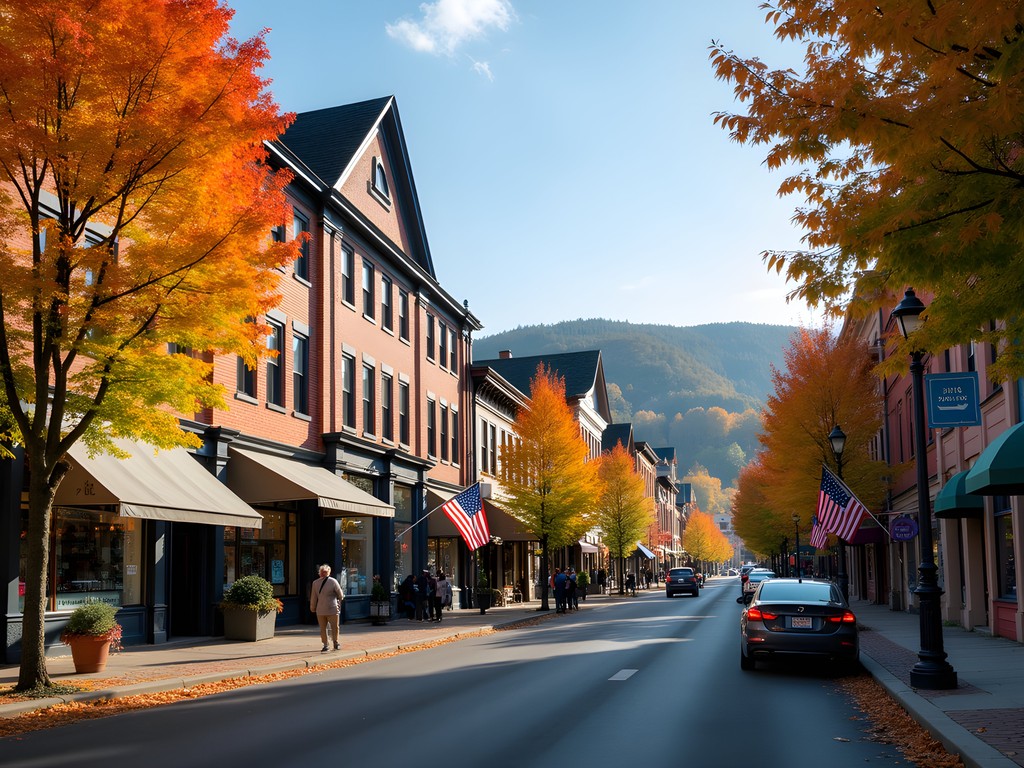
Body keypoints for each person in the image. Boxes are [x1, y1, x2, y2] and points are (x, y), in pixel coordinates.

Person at [309, 564, 344, 653]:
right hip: (332, 608)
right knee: (334, 627)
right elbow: (341, 594)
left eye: (323, 572)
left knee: (323, 628)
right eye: (324, 572)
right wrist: (339, 601)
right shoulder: (333, 581)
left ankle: (326, 644)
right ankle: (335, 642)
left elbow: (313, 597)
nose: (323, 573)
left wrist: (313, 607)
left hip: (321, 609)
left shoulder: (315, 583)